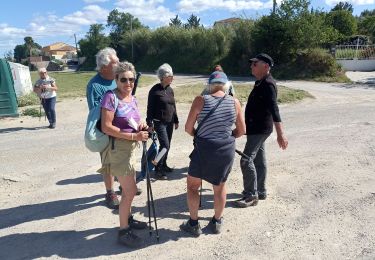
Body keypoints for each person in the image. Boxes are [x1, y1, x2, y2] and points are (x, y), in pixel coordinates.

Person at [180, 71, 246, 236]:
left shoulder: (200, 100)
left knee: (193, 186)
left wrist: (200, 135)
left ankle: (194, 224)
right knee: (220, 187)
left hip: (204, 149)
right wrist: (226, 137)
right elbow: (242, 130)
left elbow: (188, 128)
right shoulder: (234, 102)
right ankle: (216, 222)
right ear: (226, 85)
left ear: (208, 85)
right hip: (226, 149)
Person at [99, 61, 149, 247]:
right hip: (118, 149)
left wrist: (141, 126)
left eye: (131, 79)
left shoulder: (132, 98)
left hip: (131, 148)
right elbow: (107, 126)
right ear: (116, 79)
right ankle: (123, 231)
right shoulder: (110, 98)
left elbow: (134, 119)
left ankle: (128, 218)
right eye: (124, 80)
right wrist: (133, 135)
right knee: (129, 191)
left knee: (130, 189)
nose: (128, 83)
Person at [233, 53, 288, 208]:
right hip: (256, 128)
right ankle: (260, 191)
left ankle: (251, 195)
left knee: (246, 159)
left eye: (255, 64)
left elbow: (274, 110)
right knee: (258, 159)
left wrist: (281, 134)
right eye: (252, 64)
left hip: (260, 129)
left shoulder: (268, 84)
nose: (251, 66)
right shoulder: (261, 82)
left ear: (266, 66)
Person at [86, 47, 121, 209]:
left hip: (123, 127)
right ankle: (110, 192)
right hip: (106, 129)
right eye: (116, 62)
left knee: (124, 157)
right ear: (105, 65)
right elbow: (95, 112)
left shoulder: (117, 78)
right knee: (108, 162)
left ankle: (125, 185)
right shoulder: (94, 85)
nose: (118, 63)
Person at [146, 63, 179, 180]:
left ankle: (163, 164)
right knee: (165, 145)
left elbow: (173, 106)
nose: (172, 78)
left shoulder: (170, 90)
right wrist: (149, 123)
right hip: (159, 122)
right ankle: (157, 168)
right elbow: (149, 108)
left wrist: (176, 120)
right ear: (163, 77)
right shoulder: (154, 91)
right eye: (170, 76)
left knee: (167, 145)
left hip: (169, 122)